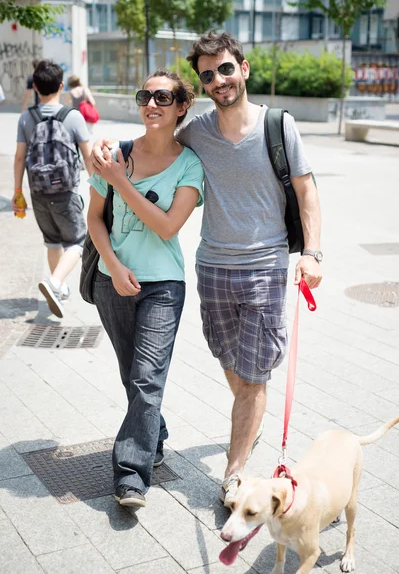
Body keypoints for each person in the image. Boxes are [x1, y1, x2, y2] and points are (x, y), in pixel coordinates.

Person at [91, 32, 322, 508]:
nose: (219, 80)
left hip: (264, 266)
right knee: (233, 368)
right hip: (212, 268)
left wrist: (312, 252)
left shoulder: (279, 126)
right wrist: (97, 143)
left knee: (253, 377)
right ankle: (241, 417)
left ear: (244, 68)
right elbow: (153, 138)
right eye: (208, 74)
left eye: (226, 69)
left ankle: (233, 474)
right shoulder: (195, 132)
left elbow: (306, 191)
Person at [87, 69, 204, 509]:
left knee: (146, 377)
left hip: (163, 286)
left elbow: (168, 225)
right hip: (111, 280)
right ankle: (154, 433)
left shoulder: (190, 165)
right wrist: (113, 266)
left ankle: (131, 476)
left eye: (162, 97)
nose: (151, 104)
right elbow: (95, 218)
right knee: (132, 376)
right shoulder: (115, 153)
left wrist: (121, 181)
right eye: (144, 95)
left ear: (180, 107)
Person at [13, 60, 92, 318]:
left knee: (52, 241)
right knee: (77, 241)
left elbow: (18, 158)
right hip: (66, 192)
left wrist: (18, 192)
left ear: (35, 87)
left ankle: (58, 288)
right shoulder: (73, 117)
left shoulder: (26, 118)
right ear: (61, 86)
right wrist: (98, 185)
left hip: (37, 193)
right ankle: (55, 283)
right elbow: (89, 157)